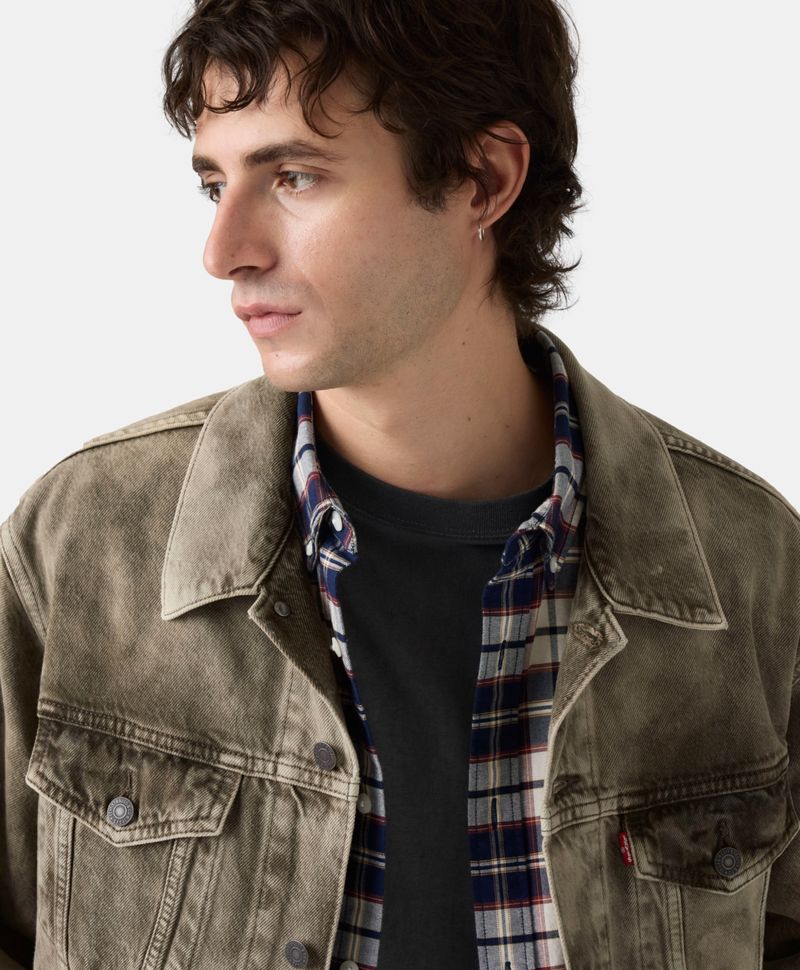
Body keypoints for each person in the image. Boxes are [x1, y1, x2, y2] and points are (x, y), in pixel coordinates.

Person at [1, 0, 798, 967]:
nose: (224, 251)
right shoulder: (82, 542)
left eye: (294, 176)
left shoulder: (752, 565)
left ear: (483, 178)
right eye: (215, 183)